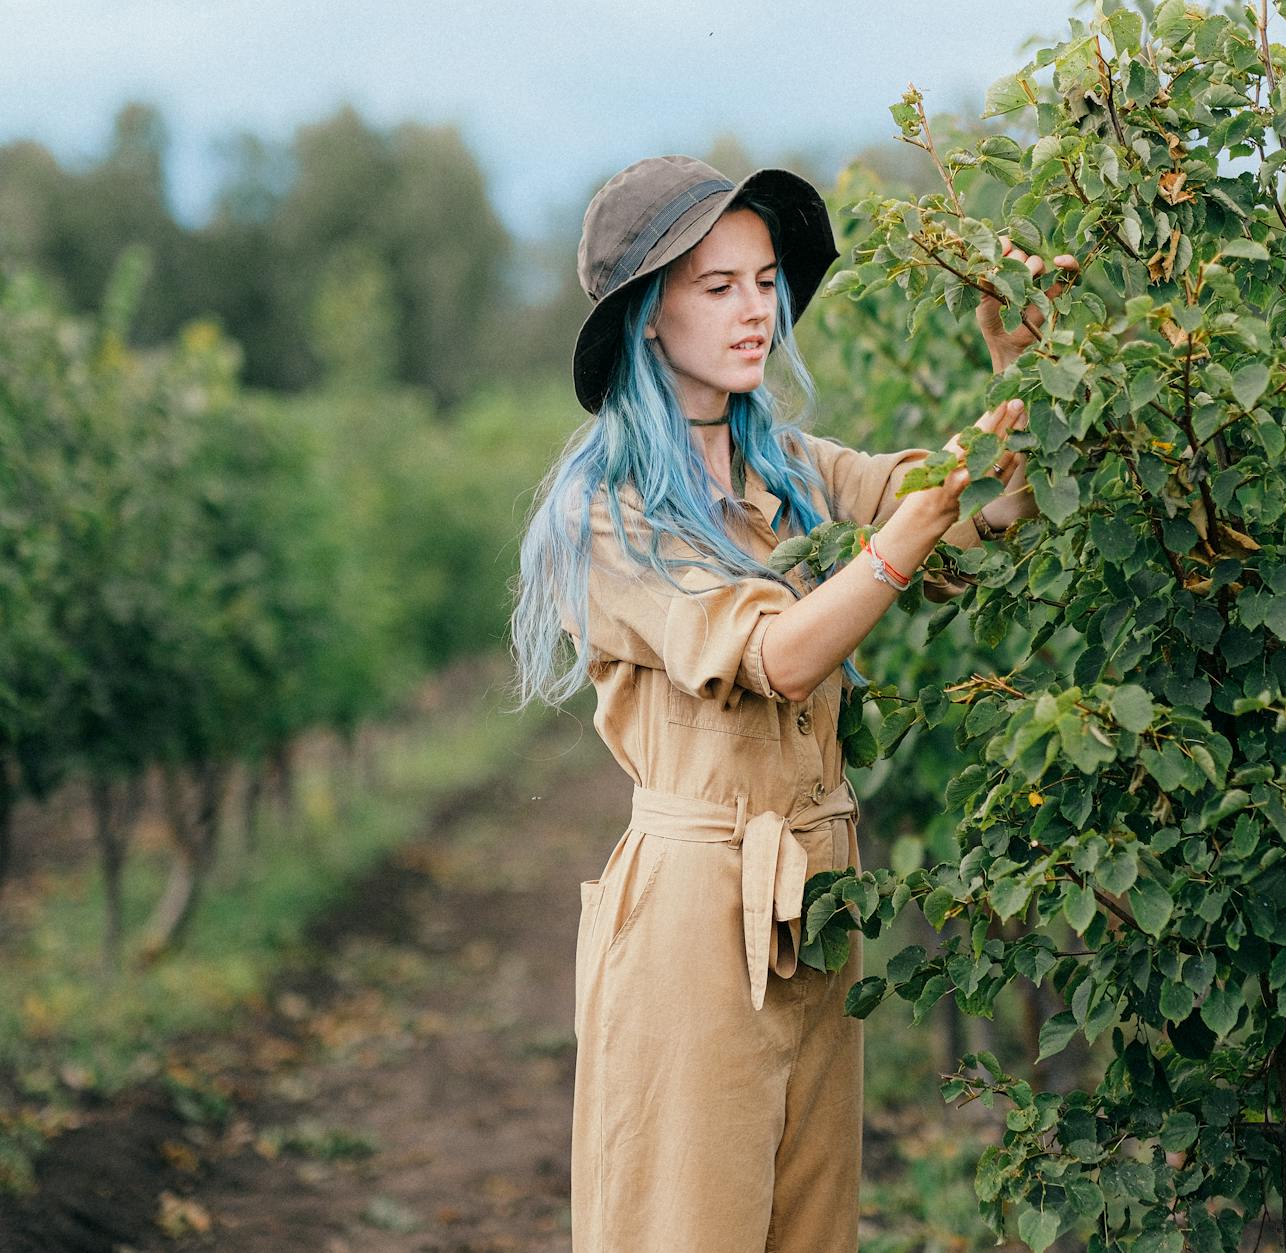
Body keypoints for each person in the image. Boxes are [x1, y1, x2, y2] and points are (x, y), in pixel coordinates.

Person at [507, 154, 1074, 1251]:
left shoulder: (792, 468)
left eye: (763, 280)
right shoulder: (607, 511)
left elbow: (983, 510)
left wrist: (1030, 381)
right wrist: (897, 546)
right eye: (715, 286)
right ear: (646, 317)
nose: (752, 308)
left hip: (815, 894)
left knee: (807, 1224)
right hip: (694, 904)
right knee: (686, 1219)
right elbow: (776, 655)